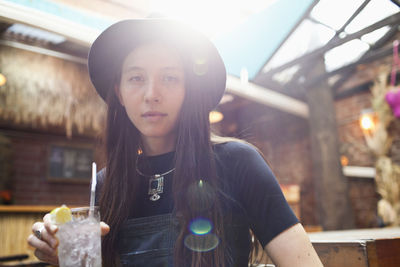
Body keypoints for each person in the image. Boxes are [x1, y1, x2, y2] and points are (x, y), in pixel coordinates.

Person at [28, 18, 323, 267]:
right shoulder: (107, 185)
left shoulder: (238, 162)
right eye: (136, 78)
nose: (151, 94)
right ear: (118, 92)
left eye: (169, 78)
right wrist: (63, 255)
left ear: (189, 90)